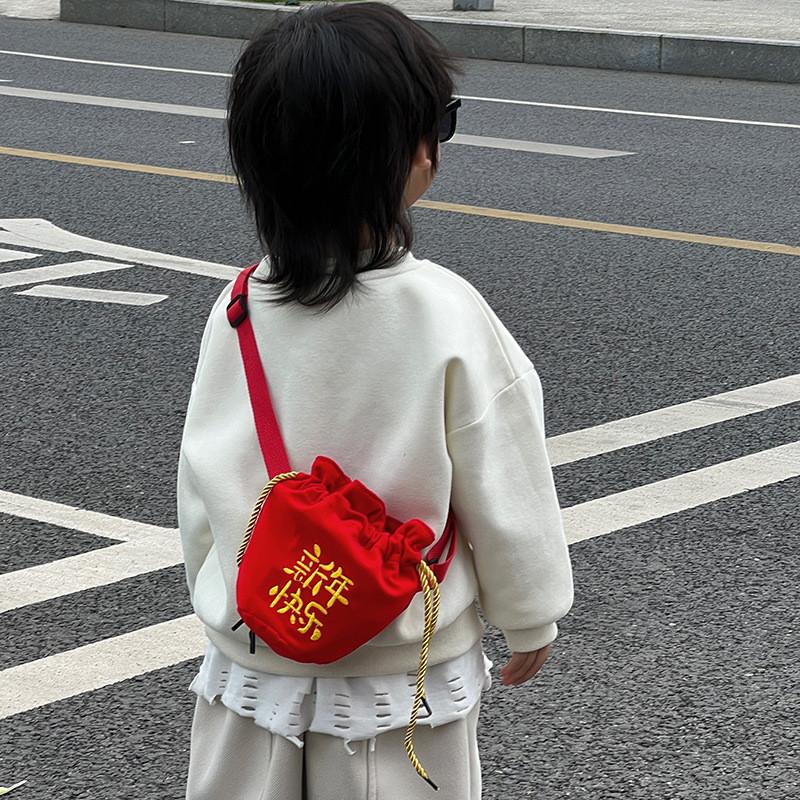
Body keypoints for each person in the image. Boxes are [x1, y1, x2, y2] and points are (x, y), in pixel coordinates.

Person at [177, 4, 574, 799]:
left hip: (258, 650)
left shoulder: (240, 309)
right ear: (402, 154)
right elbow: (504, 477)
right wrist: (531, 615)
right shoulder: (445, 311)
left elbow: (203, 483)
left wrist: (227, 600)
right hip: (402, 669)